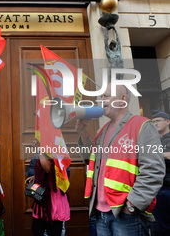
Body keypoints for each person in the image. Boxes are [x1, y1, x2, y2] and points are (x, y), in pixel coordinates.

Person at [75, 84, 165, 236]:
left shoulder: (143, 125)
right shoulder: (102, 130)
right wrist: (84, 135)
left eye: (106, 95)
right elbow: (89, 161)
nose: (101, 99)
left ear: (122, 99)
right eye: (101, 96)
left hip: (125, 214)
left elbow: (154, 170)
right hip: (101, 213)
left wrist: (131, 205)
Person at [30, 153, 70, 236]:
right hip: (43, 198)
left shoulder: (54, 150)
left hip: (53, 198)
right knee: (36, 229)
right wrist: (35, 176)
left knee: (53, 230)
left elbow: (48, 169)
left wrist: (41, 150)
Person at [150, 110, 170, 235]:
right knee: (158, 224)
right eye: (153, 122)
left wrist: (158, 155)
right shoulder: (153, 140)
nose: (155, 123)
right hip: (157, 186)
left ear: (168, 122)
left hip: (169, 186)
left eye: (158, 121)